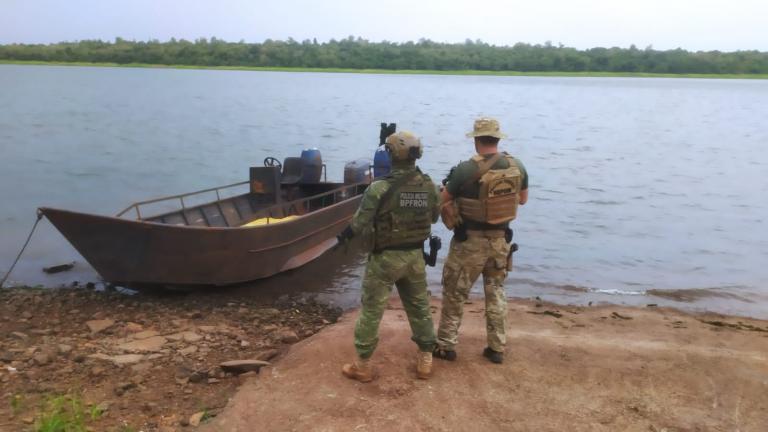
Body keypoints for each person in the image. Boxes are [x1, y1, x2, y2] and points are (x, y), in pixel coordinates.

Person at [337, 130, 441, 382]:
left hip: (384, 260)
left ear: (392, 155)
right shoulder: (429, 185)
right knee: (419, 307)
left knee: (372, 311)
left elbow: (360, 223)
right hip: (415, 257)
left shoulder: (378, 188)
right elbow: (435, 217)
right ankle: (426, 360)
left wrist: (343, 237)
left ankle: (362, 366)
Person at [434, 117, 529, 364]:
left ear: (476, 140)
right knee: (496, 293)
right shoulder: (516, 165)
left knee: (455, 293)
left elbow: (441, 200)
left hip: (469, 243)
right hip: (500, 242)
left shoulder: (466, 169)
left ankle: (446, 345)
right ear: (498, 138)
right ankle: (496, 348)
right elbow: (522, 200)